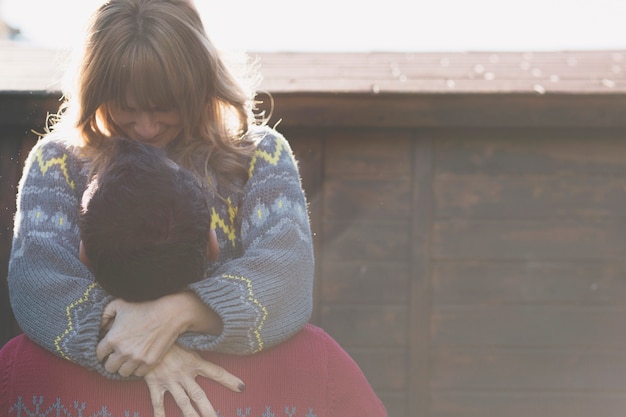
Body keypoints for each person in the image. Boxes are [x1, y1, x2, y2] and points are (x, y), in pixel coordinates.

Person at [7, 0, 314, 416]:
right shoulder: (58, 162)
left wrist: (179, 314)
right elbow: (37, 282)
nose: (146, 127)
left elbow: (288, 273)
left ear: (201, 85)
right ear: (96, 90)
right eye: (127, 107)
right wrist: (150, 351)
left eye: (163, 105)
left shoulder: (259, 156)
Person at [0, 137, 388, 417]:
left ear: (81, 252)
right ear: (212, 244)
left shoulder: (18, 373)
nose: (148, 126)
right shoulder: (316, 364)